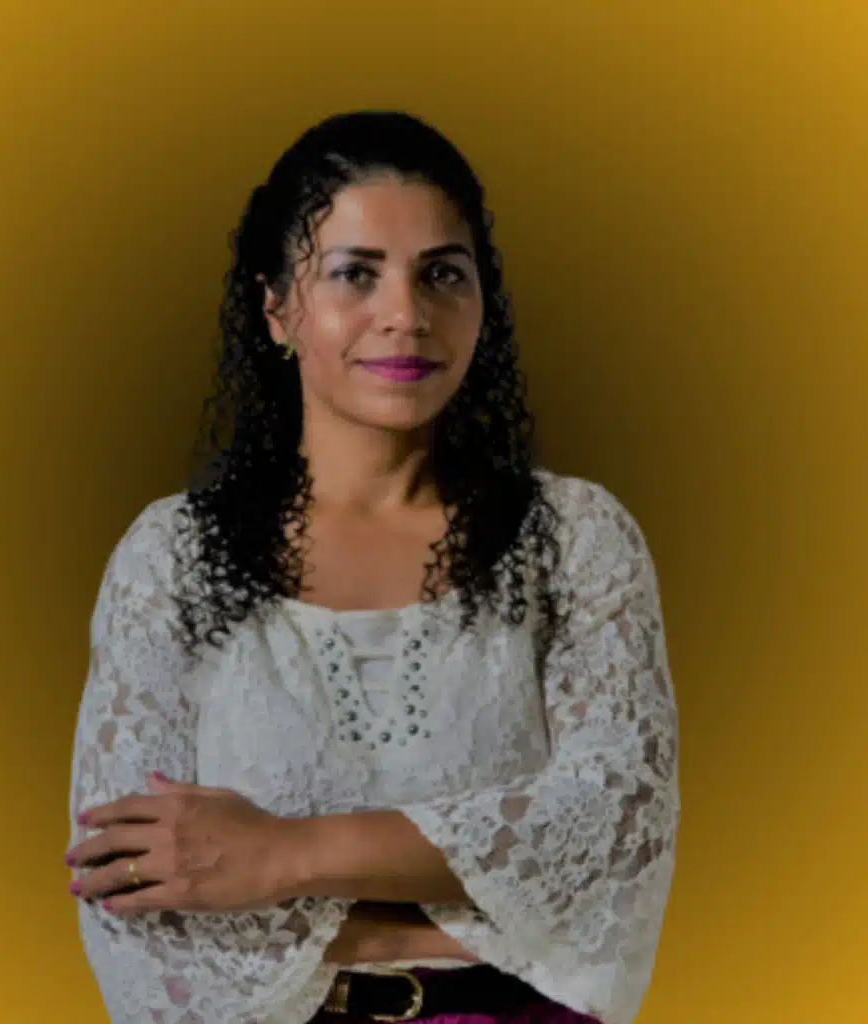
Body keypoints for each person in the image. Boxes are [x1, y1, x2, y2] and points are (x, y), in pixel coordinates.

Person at [64, 110, 680, 1024]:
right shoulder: (173, 558)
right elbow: (126, 885)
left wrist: (280, 857)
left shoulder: (574, 539)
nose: (407, 315)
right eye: (356, 273)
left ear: (482, 302)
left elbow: (614, 822)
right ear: (277, 307)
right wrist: (479, 908)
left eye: (442, 274)